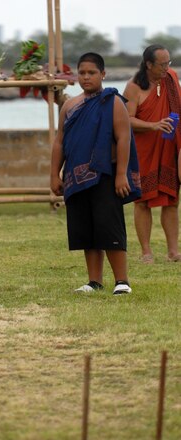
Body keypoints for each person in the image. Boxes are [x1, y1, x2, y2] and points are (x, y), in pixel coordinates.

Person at [51, 52, 141, 295]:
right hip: (75, 178)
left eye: (91, 73)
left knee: (109, 226)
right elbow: (60, 141)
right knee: (86, 230)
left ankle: (122, 280)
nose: (86, 77)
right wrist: (54, 174)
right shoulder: (70, 106)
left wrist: (121, 174)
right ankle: (94, 281)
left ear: (103, 74)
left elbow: (124, 139)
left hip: (105, 175)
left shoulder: (113, 102)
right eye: (82, 73)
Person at [123, 45, 181, 263]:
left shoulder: (172, 78)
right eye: (162, 64)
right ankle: (146, 252)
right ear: (148, 64)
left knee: (172, 200)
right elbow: (127, 119)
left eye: (169, 63)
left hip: (169, 147)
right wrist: (154, 125)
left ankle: (174, 251)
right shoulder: (134, 87)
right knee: (142, 201)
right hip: (144, 150)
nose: (167, 68)